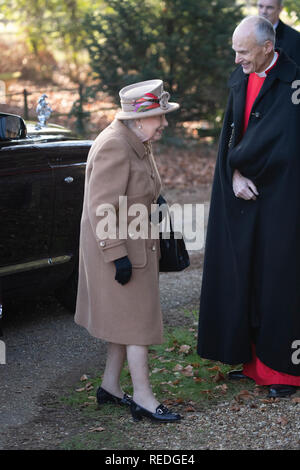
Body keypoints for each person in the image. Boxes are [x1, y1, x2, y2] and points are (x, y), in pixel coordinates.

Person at [197, 16, 300, 398]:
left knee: (278, 279)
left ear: (267, 48)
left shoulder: (294, 83)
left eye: (243, 51)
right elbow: (231, 134)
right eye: (235, 50)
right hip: (243, 196)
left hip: (284, 200)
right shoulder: (241, 76)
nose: (236, 58)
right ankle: (250, 360)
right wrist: (234, 173)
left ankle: (284, 372)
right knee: (245, 273)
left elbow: (289, 145)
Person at [74, 79, 182, 423]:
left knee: (126, 321)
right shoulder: (115, 146)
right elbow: (100, 206)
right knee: (137, 324)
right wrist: (116, 254)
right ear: (138, 120)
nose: (164, 123)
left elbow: (141, 189)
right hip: (119, 251)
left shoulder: (137, 140)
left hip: (135, 244)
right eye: (158, 117)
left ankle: (110, 387)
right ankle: (144, 398)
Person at [257, 0, 300, 65]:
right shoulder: (249, 33)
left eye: (269, 7)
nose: (264, 11)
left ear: (280, 9)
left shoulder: (295, 39)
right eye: (261, 6)